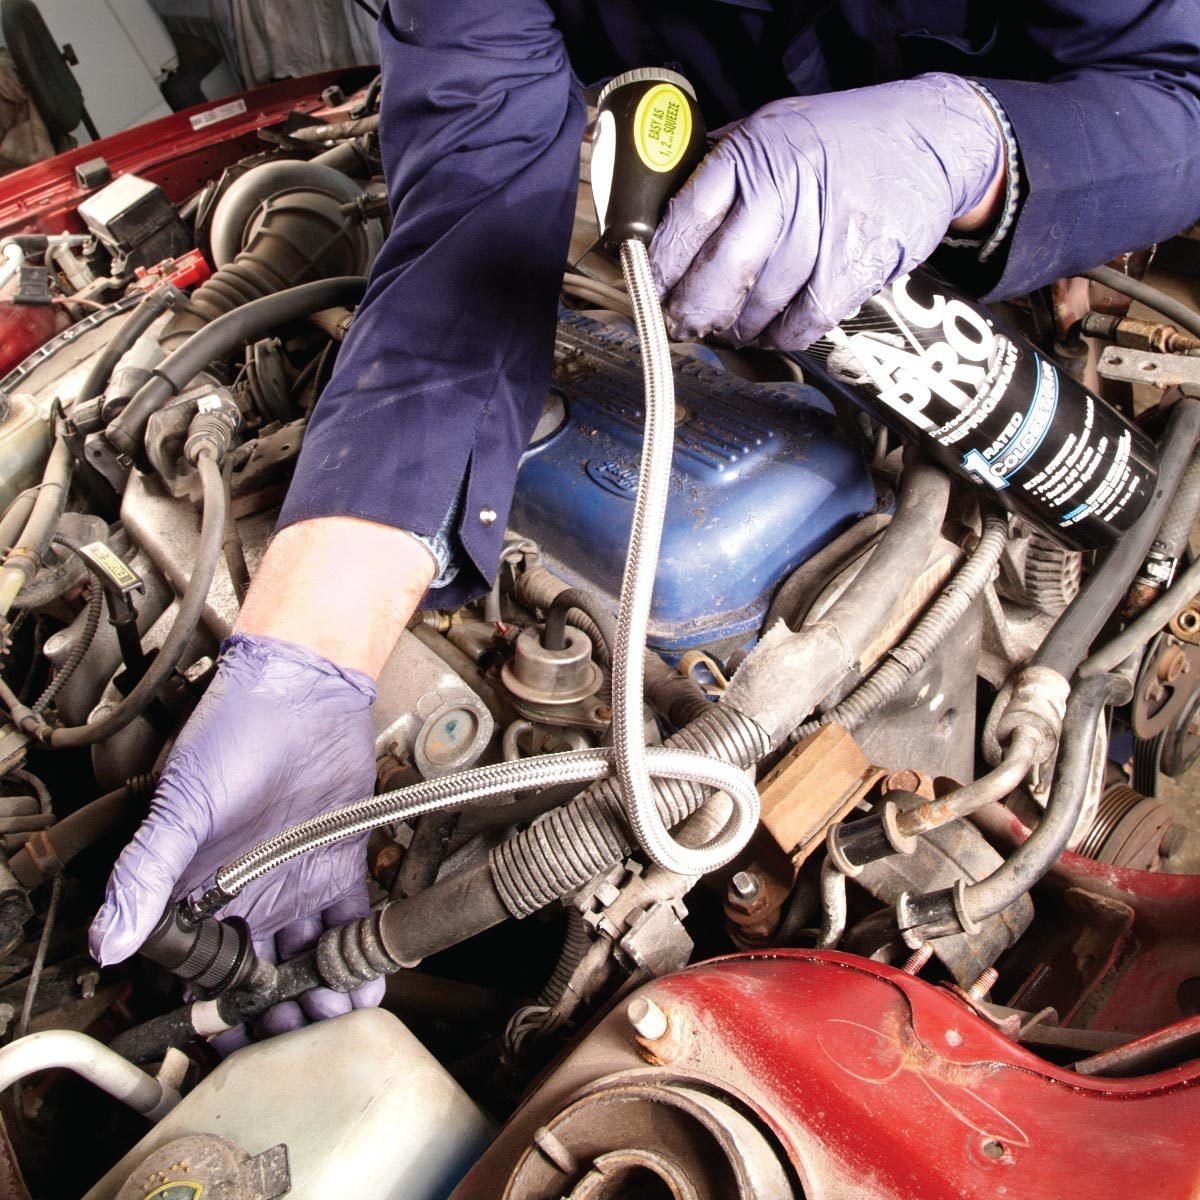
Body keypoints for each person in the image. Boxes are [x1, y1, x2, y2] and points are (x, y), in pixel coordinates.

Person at [90, 1, 1200, 1035]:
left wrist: (973, 149)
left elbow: (1185, 86)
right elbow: (468, 224)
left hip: (1010, 212)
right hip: (721, 228)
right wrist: (310, 651)